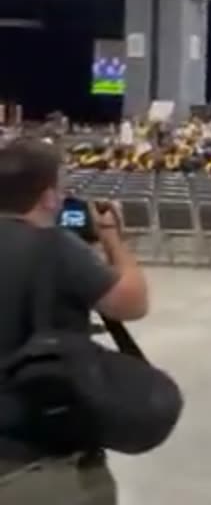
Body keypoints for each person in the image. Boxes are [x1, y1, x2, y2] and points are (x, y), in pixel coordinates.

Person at [0, 139, 149, 505]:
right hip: (37, 459)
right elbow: (131, 303)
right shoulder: (56, 247)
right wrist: (113, 238)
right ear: (50, 197)